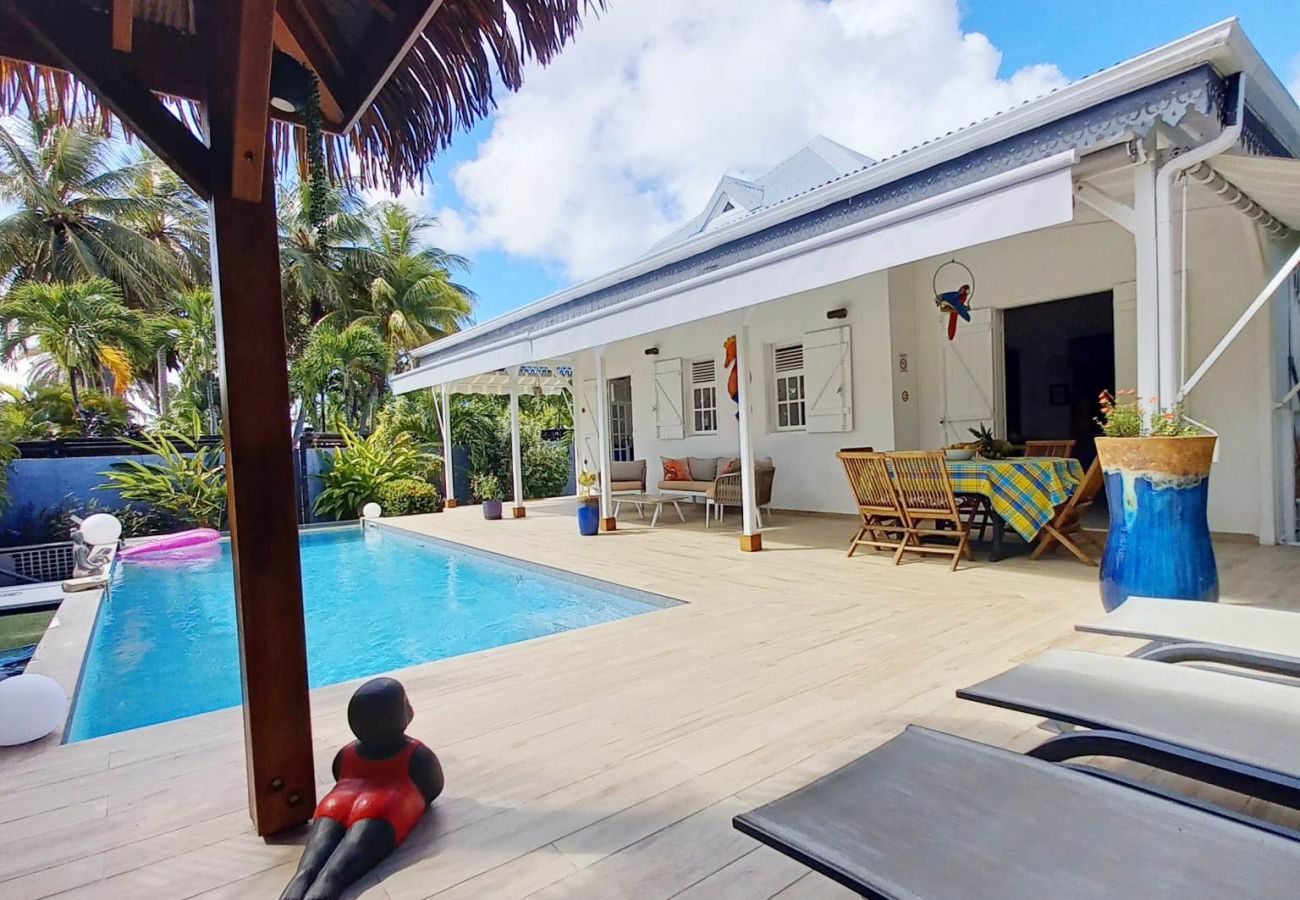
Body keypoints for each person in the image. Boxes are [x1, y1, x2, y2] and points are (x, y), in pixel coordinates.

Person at [280, 678, 444, 900]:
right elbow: (433, 788)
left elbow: (339, 774)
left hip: (334, 804)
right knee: (332, 876)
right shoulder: (417, 757)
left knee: (305, 872)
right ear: (400, 714)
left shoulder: (346, 754)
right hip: (381, 810)